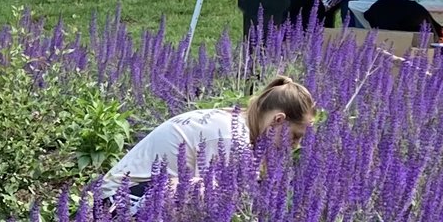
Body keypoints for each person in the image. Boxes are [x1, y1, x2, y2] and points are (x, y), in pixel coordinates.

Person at [105, 78, 318, 190]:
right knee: (219, 190)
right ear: (278, 120)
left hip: (140, 196)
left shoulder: (237, 121)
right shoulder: (230, 138)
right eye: (296, 136)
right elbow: (213, 205)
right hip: (117, 204)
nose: (296, 145)